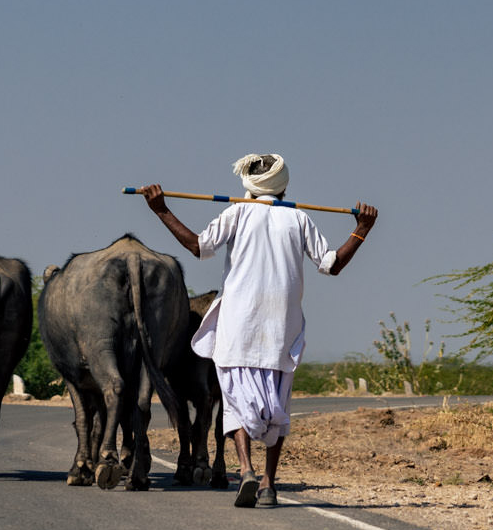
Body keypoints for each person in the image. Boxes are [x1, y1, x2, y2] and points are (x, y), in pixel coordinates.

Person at [143, 155, 376, 507]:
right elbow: (331, 265)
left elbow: (199, 247)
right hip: (282, 329)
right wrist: (361, 230)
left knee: (235, 401)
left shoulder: (237, 212)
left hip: (239, 326)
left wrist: (161, 210)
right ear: (283, 185)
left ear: (249, 186)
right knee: (277, 404)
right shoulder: (298, 218)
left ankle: (246, 469)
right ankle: (268, 482)